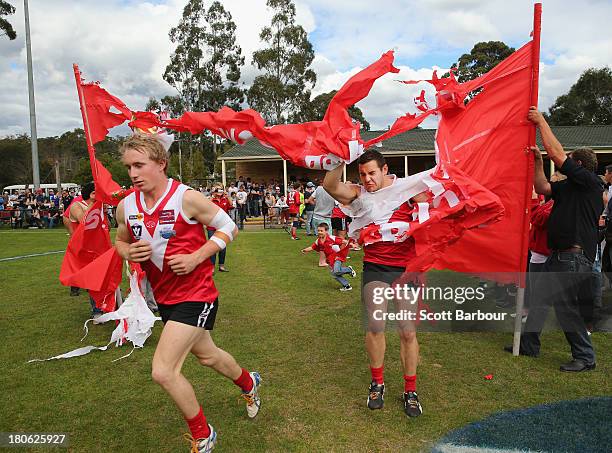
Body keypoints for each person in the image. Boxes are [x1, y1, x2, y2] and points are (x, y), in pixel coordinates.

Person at [114, 134, 261, 452]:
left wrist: (197, 256)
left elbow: (228, 227)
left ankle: (203, 435)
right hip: (165, 299)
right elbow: (120, 240)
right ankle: (249, 383)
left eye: (139, 165)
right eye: (128, 167)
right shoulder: (126, 206)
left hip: (198, 294)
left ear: (161, 163)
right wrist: (128, 252)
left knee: (163, 371)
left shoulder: (186, 198)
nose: (133, 173)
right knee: (208, 356)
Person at [323, 149, 425, 418]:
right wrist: (340, 156)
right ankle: (377, 383)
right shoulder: (359, 194)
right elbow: (330, 185)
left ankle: (410, 390)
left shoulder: (407, 189)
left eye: (372, 173)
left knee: (408, 331)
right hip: (376, 267)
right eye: (363, 174)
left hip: (406, 268)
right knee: (376, 326)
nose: (367, 179)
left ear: (385, 170)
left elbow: (436, 208)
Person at [506, 107, 601, 372]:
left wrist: (540, 121)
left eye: (570, 161)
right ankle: (529, 344)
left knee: (564, 307)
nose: (564, 162)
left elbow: (557, 155)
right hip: (559, 254)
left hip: (573, 256)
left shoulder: (590, 183)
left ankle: (585, 356)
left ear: (579, 166)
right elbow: (543, 188)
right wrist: (537, 162)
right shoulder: (570, 187)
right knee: (540, 300)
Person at [301, 223, 356, 291]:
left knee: (336, 271)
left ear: (326, 231)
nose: (319, 232)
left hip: (337, 256)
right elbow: (312, 247)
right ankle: (347, 286)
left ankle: (349, 269)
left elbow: (343, 241)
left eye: (321, 231)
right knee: (334, 274)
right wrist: (305, 250)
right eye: (318, 231)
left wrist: (351, 244)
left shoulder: (331, 238)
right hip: (330, 259)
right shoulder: (318, 241)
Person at [307, 184, 335, 267]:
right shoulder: (334, 190)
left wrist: (318, 206)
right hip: (325, 218)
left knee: (323, 240)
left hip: (316, 216)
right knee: (326, 242)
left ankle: (326, 259)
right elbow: (340, 204)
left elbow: (309, 200)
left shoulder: (319, 188)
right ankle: (323, 261)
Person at [208, 185, 231, 273]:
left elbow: (231, 205)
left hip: (222, 226)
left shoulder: (225, 199)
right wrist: (213, 195)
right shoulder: (211, 199)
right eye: (217, 189)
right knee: (212, 247)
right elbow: (206, 206)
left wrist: (227, 195)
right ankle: (212, 267)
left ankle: (221, 266)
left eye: (220, 188)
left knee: (223, 246)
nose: (219, 190)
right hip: (212, 226)